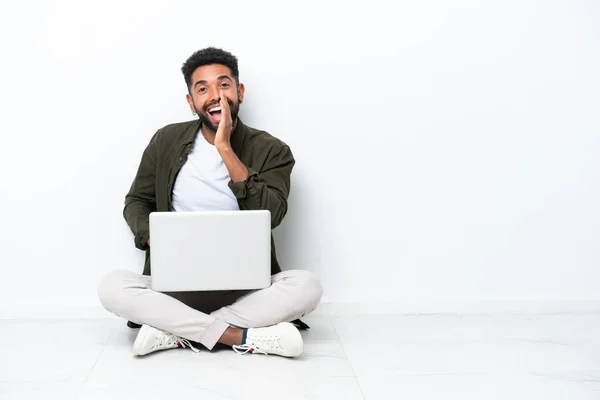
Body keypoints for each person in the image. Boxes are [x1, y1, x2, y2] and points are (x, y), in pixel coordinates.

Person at [98, 47, 323, 358]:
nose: (215, 95)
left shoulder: (272, 149)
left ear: (240, 92)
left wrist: (226, 150)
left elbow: (273, 214)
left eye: (224, 84)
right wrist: (152, 236)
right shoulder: (165, 140)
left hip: (248, 291)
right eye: (202, 89)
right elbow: (137, 200)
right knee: (112, 286)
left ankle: (175, 331)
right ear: (191, 102)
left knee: (307, 286)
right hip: (176, 289)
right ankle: (240, 335)